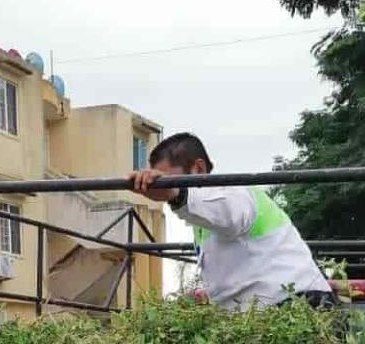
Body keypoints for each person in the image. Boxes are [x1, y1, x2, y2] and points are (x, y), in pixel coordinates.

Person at [130, 132, 333, 310]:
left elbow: (228, 212)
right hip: (262, 320)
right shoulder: (200, 219)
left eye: (169, 180)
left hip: (300, 307)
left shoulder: (235, 193)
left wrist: (175, 192)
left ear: (198, 168)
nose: (164, 190)